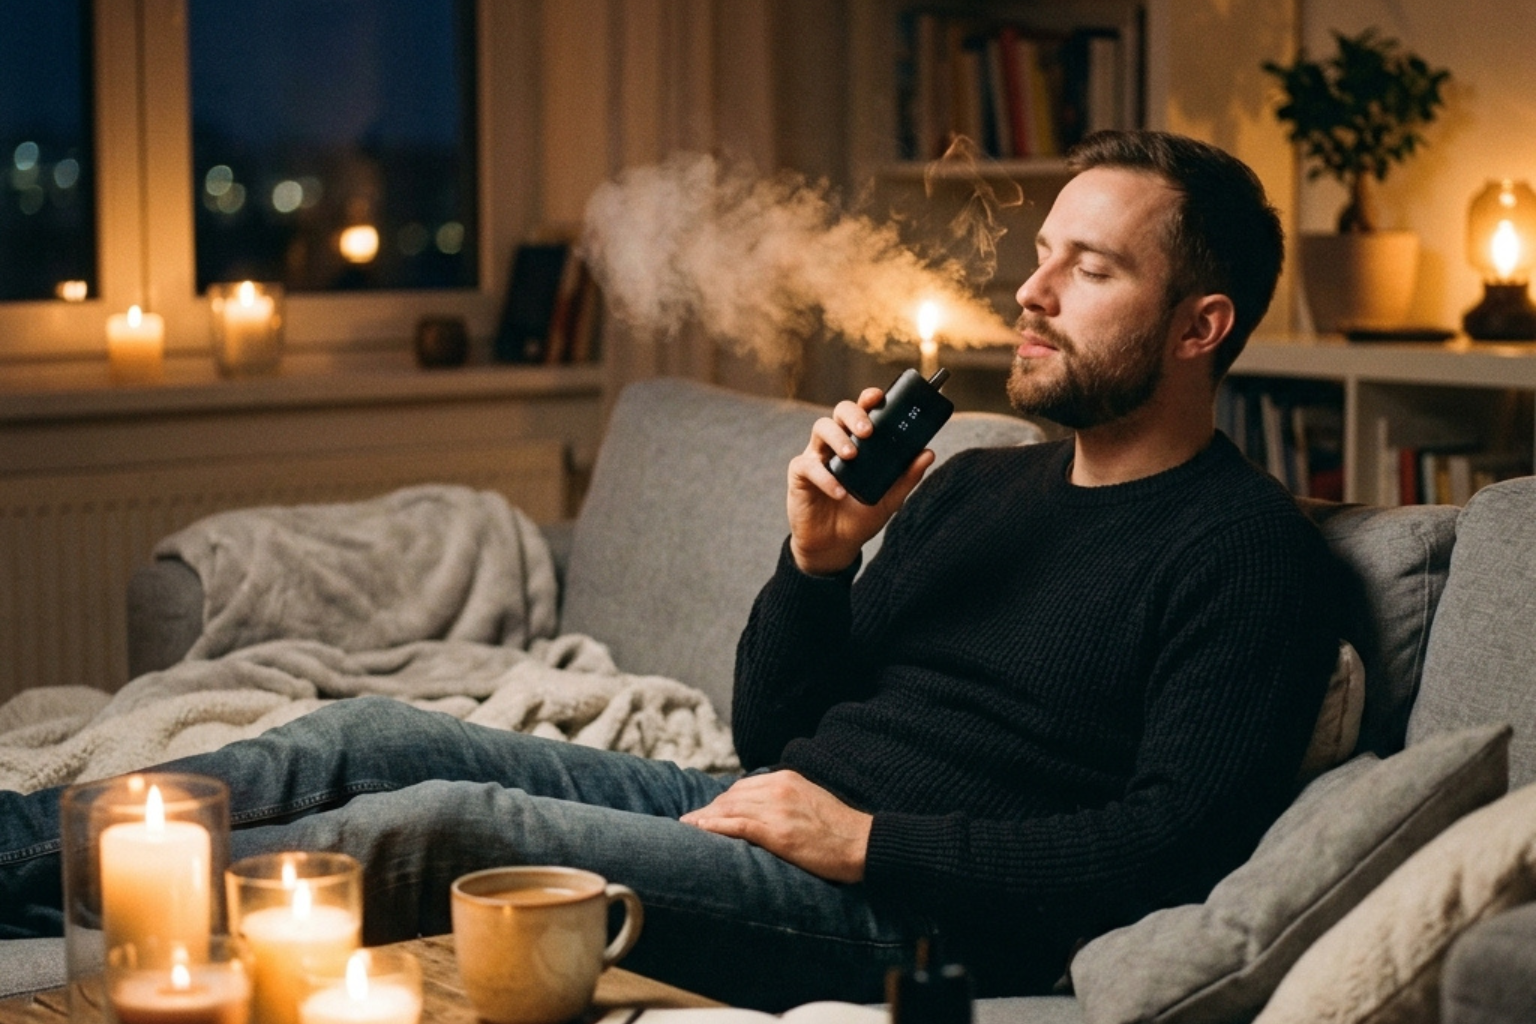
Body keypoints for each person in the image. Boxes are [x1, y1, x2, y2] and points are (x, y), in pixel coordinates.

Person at [0, 130, 1341, 1009]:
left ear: (1198, 327)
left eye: (1087, 269)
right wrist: (817, 562)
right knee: (366, 734)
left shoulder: (1247, 553)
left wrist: (867, 841)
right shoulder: (982, 480)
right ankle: (15, 850)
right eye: (1041, 255)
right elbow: (775, 734)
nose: (1032, 294)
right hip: (765, 814)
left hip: (898, 909)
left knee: (446, 828)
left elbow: (1170, 849)